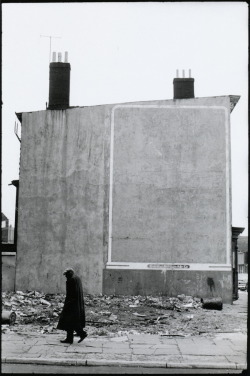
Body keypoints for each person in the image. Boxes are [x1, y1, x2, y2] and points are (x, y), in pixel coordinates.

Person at [57, 268, 87, 344]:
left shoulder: (71, 280)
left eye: (66, 275)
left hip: (71, 304)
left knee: (70, 320)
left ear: (69, 274)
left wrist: (67, 304)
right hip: (77, 304)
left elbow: (70, 294)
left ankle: (81, 334)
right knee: (71, 321)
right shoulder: (77, 278)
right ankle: (71, 338)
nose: (66, 277)